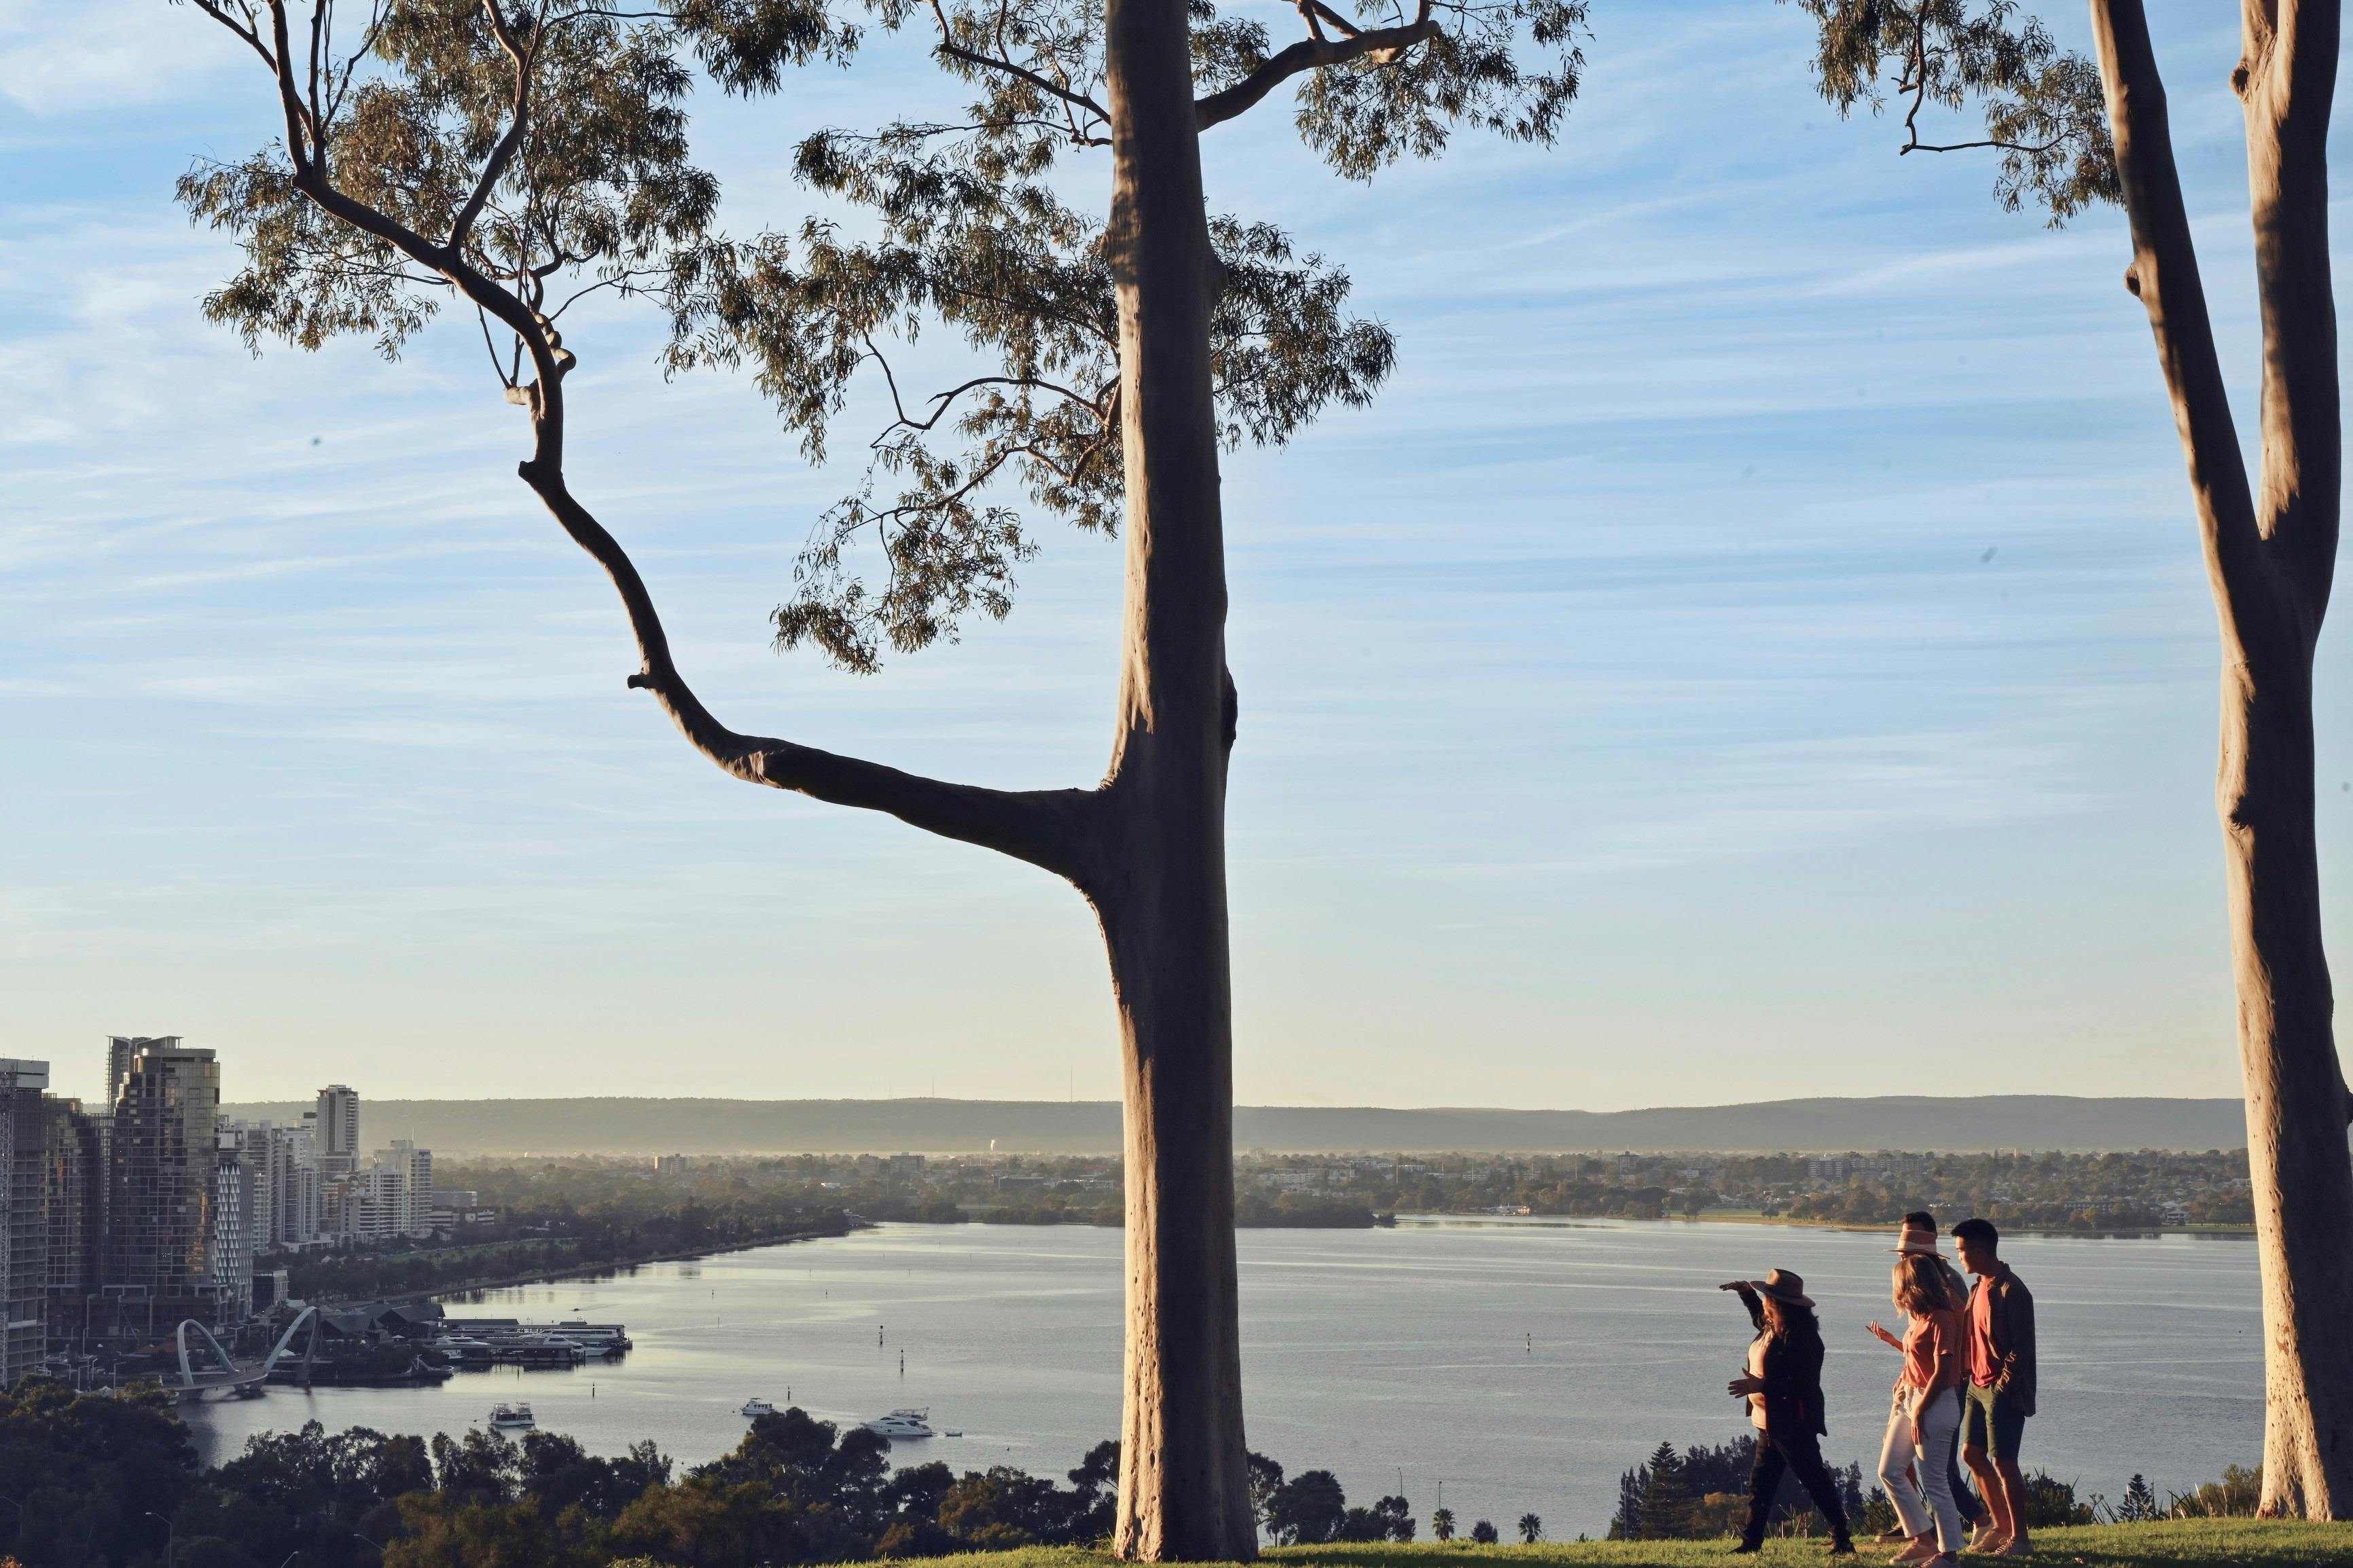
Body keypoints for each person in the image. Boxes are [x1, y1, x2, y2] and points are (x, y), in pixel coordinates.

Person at [1867, 1216, 1990, 1546]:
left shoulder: (1945, 1288)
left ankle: (1960, 1530)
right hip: (1915, 1386)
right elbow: (1920, 1346)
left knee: (1939, 1471)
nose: (1900, 1258)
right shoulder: (1920, 1287)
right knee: (1899, 1464)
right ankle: (1922, 1530)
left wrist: (1944, 1382)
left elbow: (1954, 1342)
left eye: (1905, 1252)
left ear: (1920, 1256)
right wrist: (1903, 1370)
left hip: (1943, 1385)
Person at [1721, 1269, 1855, 1556]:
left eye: (1767, 1297)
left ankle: (1842, 1539)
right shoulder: (1772, 1325)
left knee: (1814, 1481)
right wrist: (1746, 1293)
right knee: (1761, 1485)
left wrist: (1761, 1385)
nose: (1764, 1302)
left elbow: (1802, 1385)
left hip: (1793, 1424)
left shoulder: (1805, 1339)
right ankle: (1751, 1542)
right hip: (1768, 1423)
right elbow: (1758, 1317)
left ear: (1778, 1304)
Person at [1867, 1251, 1966, 1565]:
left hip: (1935, 1404)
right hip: (1912, 1400)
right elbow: (1918, 1358)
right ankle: (1924, 1540)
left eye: (1898, 1284)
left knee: (1935, 1481)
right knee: (1889, 1470)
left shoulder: (1941, 1318)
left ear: (1912, 1285)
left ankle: (1948, 1555)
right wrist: (1893, 1344)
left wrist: (1921, 1410)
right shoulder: (1919, 1317)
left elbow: (1943, 1371)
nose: (1895, 1291)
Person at [1952, 1218, 2036, 1556]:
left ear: (1978, 1251)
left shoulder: (2012, 1290)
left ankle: (2021, 1540)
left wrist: (2002, 1385)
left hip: (2003, 1389)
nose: (1959, 1256)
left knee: (2004, 1462)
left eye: (1961, 1250)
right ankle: (2001, 1528)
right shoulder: (1978, 1287)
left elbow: (2022, 1347)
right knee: (1971, 1454)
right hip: (1976, 1385)